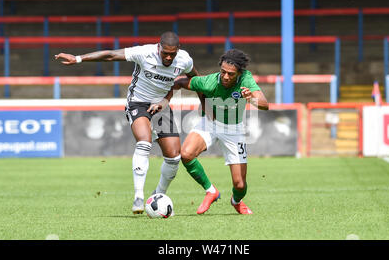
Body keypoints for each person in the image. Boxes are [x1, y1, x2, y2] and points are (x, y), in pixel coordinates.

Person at [55, 32, 198, 214]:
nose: (168, 57)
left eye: (172, 54)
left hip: (161, 106)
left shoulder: (184, 59)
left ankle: (157, 195)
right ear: (158, 47)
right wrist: (78, 58)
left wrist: (203, 99)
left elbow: (195, 78)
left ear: (178, 50)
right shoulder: (144, 53)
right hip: (138, 102)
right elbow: (111, 55)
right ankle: (138, 196)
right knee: (144, 142)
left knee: (174, 157)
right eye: (165, 53)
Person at [174, 49, 269, 215]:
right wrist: (164, 100)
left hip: (234, 129)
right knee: (186, 154)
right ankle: (211, 191)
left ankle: (236, 201)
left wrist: (250, 98)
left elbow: (265, 104)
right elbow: (181, 82)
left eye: (231, 74)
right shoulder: (210, 81)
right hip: (210, 123)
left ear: (239, 73)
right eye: (223, 72)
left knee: (240, 185)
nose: (225, 77)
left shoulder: (246, 79)